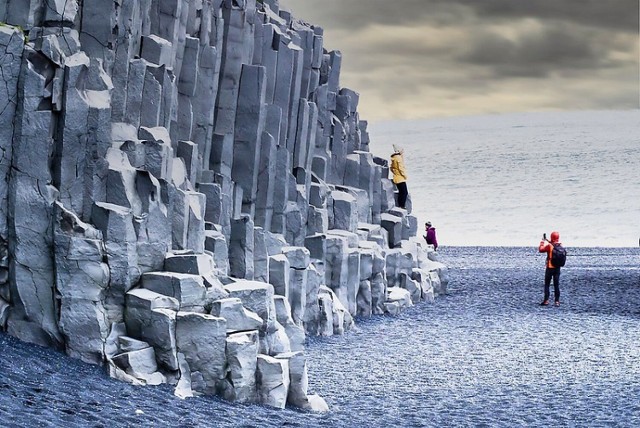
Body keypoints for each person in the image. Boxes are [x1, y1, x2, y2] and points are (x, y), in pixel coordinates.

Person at [538, 231, 562, 306]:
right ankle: (557, 301)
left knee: (547, 284)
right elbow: (554, 244)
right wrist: (548, 241)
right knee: (556, 284)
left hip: (550, 267)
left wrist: (542, 241)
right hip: (557, 268)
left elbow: (541, 249)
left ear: (552, 237)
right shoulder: (560, 245)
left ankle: (546, 300)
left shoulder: (549, 246)